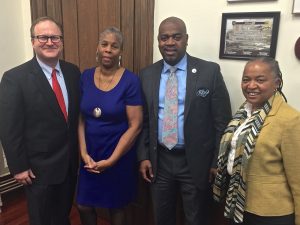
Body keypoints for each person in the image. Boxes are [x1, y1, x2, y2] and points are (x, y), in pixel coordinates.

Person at [137, 16, 232, 225]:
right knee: (162, 217)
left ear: (186, 39)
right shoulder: (147, 75)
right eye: (164, 38)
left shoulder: (209, 72)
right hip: (159, 161)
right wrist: (143, 156)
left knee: (195, 218)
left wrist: (217, 161)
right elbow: (143, 122)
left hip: (195, 163)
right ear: (158, 41)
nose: (170, 42)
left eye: (176, 37)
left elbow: (222, 123)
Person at [0, 16, 81, 225]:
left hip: (69, 164)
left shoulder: (73, 72)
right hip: (38, 169)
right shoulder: (14, 78)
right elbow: (9, 127)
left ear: (61, 41)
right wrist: (18, 167)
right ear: (33, 41)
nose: (49, 42)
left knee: (62, 215)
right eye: (43, 37)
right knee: (42, 219)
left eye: (55, 37)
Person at [213, 57, 300, 225]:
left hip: (271, 214)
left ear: (277, 83)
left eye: (260, 80)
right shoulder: (243, 114)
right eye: (246, 79)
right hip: (238, 206)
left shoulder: (290, 119)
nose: (251, 85)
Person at [76, 27, 143, 225]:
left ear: (121, 51)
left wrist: (112, 159)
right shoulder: (85, 76)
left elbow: (136, 125)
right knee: (83, 205)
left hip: (118, 154)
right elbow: (80, 119)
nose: (108, 49)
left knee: (117, 206)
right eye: (104, 44)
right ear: (97, 48)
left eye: (114, 46)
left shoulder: (131, 81)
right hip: (89, 154)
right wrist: (83, 153)